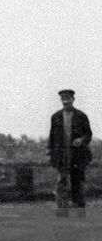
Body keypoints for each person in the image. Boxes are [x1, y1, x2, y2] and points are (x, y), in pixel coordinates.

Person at [48, 89, 92, 217]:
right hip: (61, 156)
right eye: (63, 99)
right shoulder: (55, 117)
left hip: (78, 157)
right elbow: (52, 137)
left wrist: (81, 140)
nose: (65, 101)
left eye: (68, 98)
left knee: (77, 183)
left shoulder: (81, 116)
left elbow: (88, 134)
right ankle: (62, 214)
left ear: (73, 99)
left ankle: (80, 214)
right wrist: (51, 154)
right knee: (61, 184)